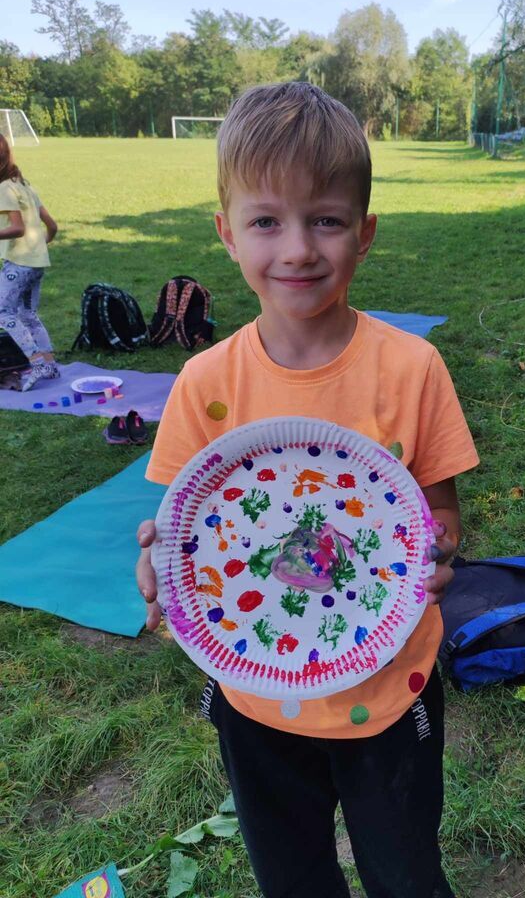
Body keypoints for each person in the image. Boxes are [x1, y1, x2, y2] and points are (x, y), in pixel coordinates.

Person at [135, 82, 479, 898]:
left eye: (325, 219)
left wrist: (436, 553)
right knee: (290, 876)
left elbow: (442, 517)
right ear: (226, 234)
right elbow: (183, 531)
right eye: (266, 221)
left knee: (404, 873)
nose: (297, 249)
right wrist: (158, 568)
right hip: (254, 691)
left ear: (363, 234)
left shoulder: (411, 370)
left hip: (387, 687)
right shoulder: (204, 383)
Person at [0, 133, 59, 391]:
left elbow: (17, 228)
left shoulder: (4, 188)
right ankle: (50, 363)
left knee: (3, 313)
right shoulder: (24, 184)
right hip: (36, 262)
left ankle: (37, 362)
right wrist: (38, 248)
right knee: (28, 313)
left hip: (19, 263)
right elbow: (52, 226)